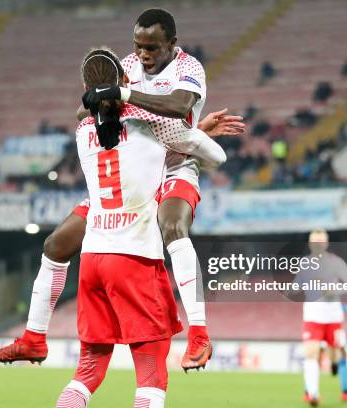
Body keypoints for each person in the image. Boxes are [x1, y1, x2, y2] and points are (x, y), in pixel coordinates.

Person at [0, 8, 245, 371]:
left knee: (173, 227)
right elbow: (85, 111)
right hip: (131, 169)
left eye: (152, 47)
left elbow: (179, 105)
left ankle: (199, 335)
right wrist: (102, 99)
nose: (143, 54)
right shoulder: (128, 63)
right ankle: (33, 338)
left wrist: (125, 93)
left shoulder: (189, 68)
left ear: (172, 43)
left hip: (175, 162)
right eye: (138, 46)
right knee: (56, 245)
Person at [55, 47, 226, 408]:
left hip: (93, 260)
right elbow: (216, 156)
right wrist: (192, 135)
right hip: (134, 259)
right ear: (125, 82)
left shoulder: (83, 131)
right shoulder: (154, 126)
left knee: (87, 372)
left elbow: (102, 119)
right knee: (151, 375)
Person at [292, 229, 347, 406]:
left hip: (333, 318)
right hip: (312, 317)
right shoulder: (303, 263)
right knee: (311, 353)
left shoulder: (336, 263)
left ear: (326, 243)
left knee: (338, 355)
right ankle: (312, 394)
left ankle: (338, 374)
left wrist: (335, 291)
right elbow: (296, 287)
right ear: (309, 244)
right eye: (314, 241)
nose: (317, 244)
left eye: (320, 241)